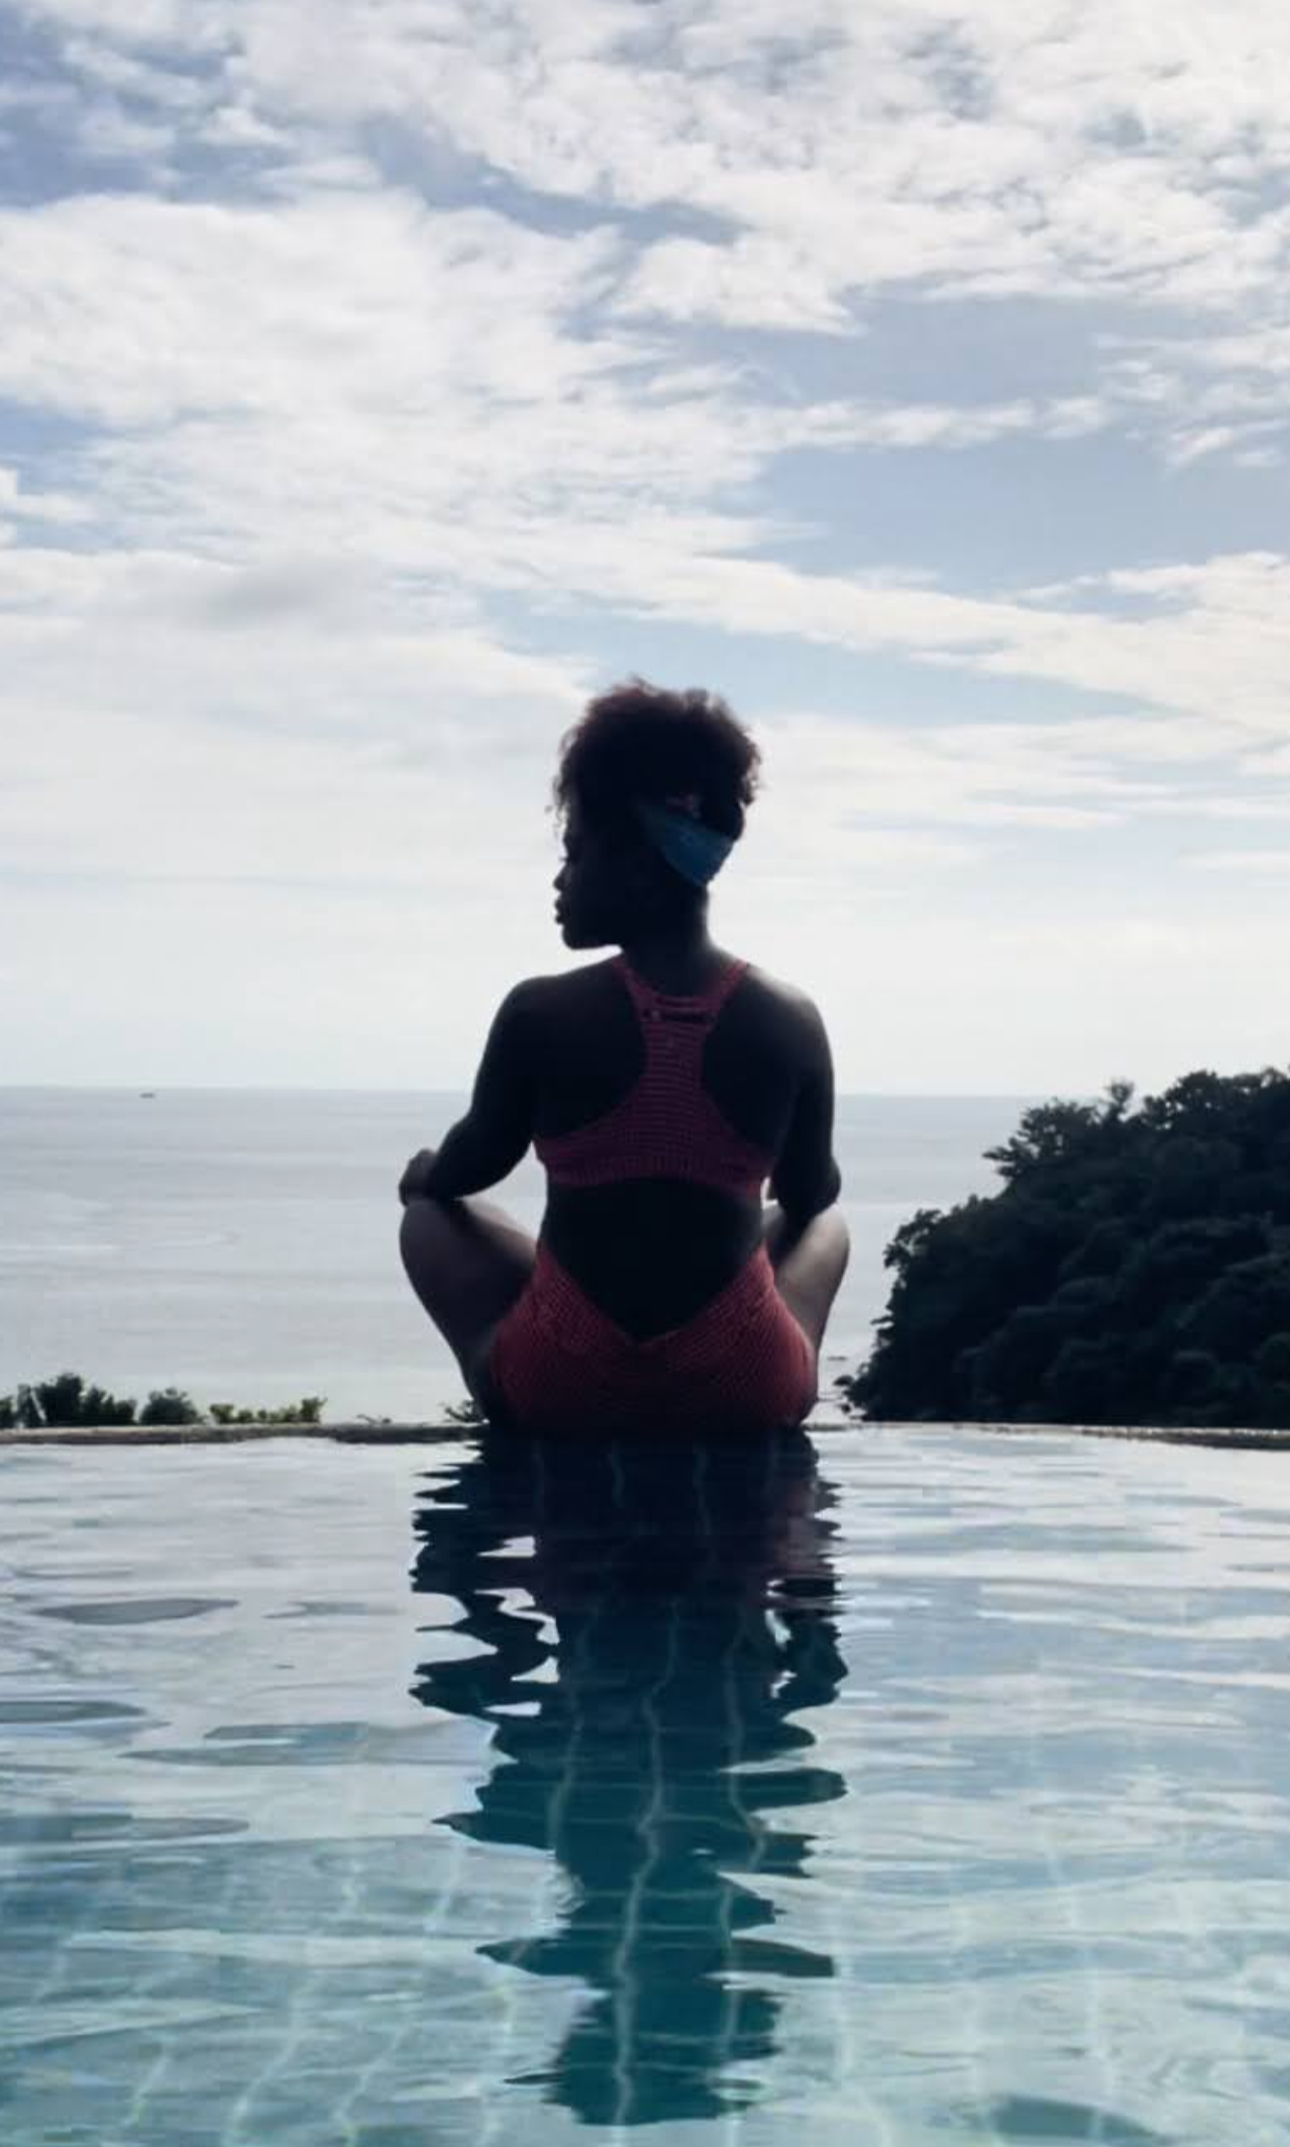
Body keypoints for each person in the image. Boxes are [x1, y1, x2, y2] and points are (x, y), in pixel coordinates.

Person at [398, 677, 850, 1433]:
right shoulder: (791, 1019)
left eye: (575, 853)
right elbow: (811, 1195)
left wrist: (425, 1175)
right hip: (739, 1385)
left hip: (566, 1382)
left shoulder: (540, 1009)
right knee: (830, 1229)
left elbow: (468, 1165)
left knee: (428, 1217)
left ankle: (536, 1382)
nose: (559, 878)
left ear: (639, 866)